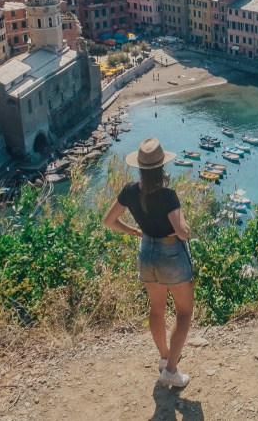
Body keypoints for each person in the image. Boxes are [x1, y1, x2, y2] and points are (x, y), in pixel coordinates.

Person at [103, 138, 194, 389]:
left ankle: (165, 358)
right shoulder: (168, 196)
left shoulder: (130, 191)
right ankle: (171, 370)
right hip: (170, 254)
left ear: (140, 167)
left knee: (156, 310)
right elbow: (183, 232)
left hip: (146, 253)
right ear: (162, 166)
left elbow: (109, 220)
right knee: (184, 312)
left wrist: (134, 231)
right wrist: (185, 224)